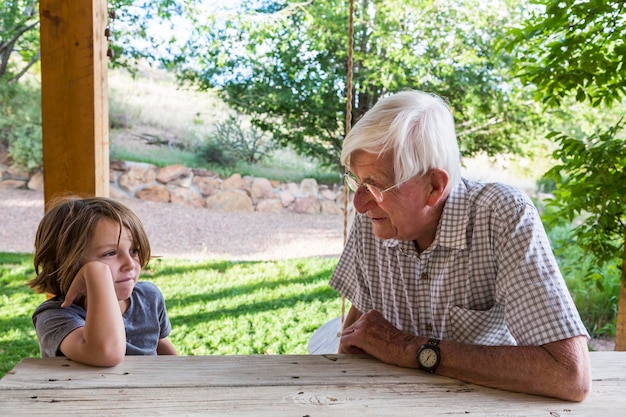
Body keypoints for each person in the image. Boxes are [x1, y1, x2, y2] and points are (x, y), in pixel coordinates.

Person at [329, 90, 591, 402]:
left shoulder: (502, 215)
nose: (359, 204)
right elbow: (361, 325)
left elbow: (569, 375)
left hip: (488, 404)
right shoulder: (375, 219)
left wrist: (408, 348)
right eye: (357, 182)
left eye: (376, 185)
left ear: (434, 186)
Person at [28, 196, 177, 367]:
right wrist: (97, 273)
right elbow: (106, 353)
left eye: (134, 251)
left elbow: (158, 343)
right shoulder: (54, 316)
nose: (130, 264)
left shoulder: (149, 297)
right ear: (65, 260)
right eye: (110, 253)